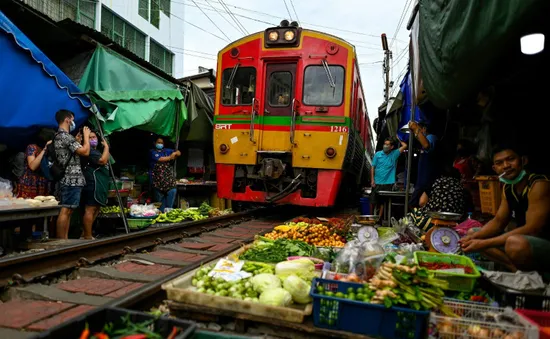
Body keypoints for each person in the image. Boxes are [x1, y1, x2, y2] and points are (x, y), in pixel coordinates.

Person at [460, 145, 550, 272]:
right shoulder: (508, 188)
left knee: (514, 243)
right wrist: (473, 238)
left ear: (523, 161)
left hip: (542, 244)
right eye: (499, 163)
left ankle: (539, 275)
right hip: (523, 240)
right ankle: (516, 270)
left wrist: (483, 244)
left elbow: (533, 229)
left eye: (511, 159)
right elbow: (498, 222)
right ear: (495, 168)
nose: (506, 165)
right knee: (472, 233)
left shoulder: (538, 184)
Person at [54, 110, 90, 239]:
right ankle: (61, 241)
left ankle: (64, 239)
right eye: (73, 119)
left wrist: (77, 141)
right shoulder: (65, 136)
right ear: (68, 120)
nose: (74, 122)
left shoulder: (61, 136)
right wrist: (86, 136)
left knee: (68, 210)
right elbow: (85, 151)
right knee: (66, 210)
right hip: (71, 178)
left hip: (69, 177)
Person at [410, 165, 466, 232]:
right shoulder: (462, 188)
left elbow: (422, 202)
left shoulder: (434, 183)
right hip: (457, 224)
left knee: (414, 212)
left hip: (431, 223)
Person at [80, 130, 110, 240]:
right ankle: (87, 236)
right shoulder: (90, 151)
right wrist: (106, 147)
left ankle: (85, 233)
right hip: (93, 183)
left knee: (96, 209)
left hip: (100, 183)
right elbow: (102, 160)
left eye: (94, 137)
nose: (93, 139)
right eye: (90, 137)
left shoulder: (96, 150)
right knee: (90, 209)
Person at [370, 136, 408, 218]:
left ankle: (379, 219)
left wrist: (399, 138)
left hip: (388, 183)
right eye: (385, 144)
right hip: (377, 182)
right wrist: (372, 180)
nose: (385, 146)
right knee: (373, 202)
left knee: (384, 203)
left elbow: (405, 146)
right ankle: (372, 217)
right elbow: (373, 167)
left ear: (392, 147)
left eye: (387, 145)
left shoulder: (394, 154)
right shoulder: (378, 154)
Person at [408, 120, 439, 208]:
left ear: (424, 129)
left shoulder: (431, 137)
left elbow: (426, 145)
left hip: (427, 181)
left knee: (415, 204)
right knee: (414, 204)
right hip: (421, 181)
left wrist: (416, 129)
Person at [17, 129, 55, 199]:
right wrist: (44, 150)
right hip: (30, 183)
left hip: (43, 183)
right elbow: (32, 166)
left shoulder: (52, 150)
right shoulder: (32, 147)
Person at [150, 137, 181, 212]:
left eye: (161, 143)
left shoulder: (166, 150)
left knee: (172, 191)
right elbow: (160, 159)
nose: (160, 144)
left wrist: (175, 153)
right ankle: (160, 213)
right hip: (157, 180)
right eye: (158, 142)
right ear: (155, 143)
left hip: (167, 178)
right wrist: (171, 157)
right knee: (159, 201)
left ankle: (168, 211)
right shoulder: (152, 152)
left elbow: (179, 152)